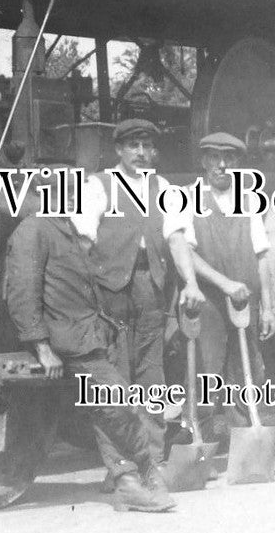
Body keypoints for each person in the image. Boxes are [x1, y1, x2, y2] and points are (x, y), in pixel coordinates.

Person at [5, 179, 175, 513]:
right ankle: (134, 479)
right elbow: (22, 292)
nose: (69, 196)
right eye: (61, 190)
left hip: (89, 336)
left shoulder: (64, 229)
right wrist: (41, 346)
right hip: (70, 341)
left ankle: (130, 482)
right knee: (120, 405)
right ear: (42, 193)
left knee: (109, 408)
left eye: (72, 191)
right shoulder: (34, 230)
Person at [78, 119, 202, 486]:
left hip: (151, 286)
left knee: (152, 376)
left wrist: (191, 283)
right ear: (118, 150)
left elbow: (178, 240)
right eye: (133, 145)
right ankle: (121, 468)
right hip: (108, 291)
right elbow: (83, 242)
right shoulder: (97, 186)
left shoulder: (164, 188)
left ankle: (152, 462)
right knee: (114, 378)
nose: (142, 153)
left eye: (148, 146)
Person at [171, 132, 275, 442]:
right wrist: (226, 284)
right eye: (214, 157)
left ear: (237, 163)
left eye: (229, 158)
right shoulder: (187, 198)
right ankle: (197, 442)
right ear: (203, 161)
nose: (221, 165)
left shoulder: (248, 201)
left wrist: (268, 307)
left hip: (245, 302)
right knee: (206, 375)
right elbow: (186, 253)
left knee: (248, 376)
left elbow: (262, 256)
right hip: (208, 303)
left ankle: (245, 445)